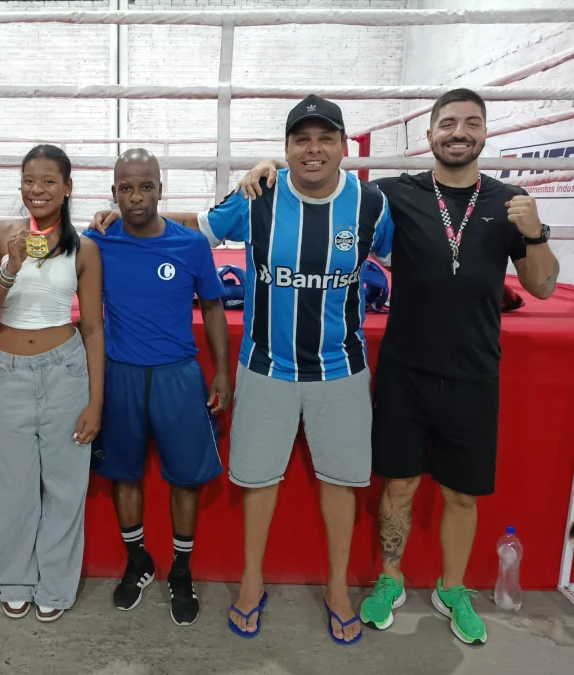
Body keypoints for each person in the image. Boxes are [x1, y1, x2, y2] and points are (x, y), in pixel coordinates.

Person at [237, 88, 559, 646]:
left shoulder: (510, 201)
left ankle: (452, 589)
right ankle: (389, 580)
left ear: (485, 132)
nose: (459, 133)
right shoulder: (391, 195)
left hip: (474, 366)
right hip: (406, 366)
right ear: (429, 134)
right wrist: (267, 169)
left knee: (462, 493)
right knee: (399, 485)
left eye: (471, 123)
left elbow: (543, 286)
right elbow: (320, 180)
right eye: (448, 123)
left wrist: (535, 232)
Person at [90, 96, 394, 642]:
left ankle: (337, 589)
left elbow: (403, 255)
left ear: (344, 146)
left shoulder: (373, 204)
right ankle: (251, 584)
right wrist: (129, 215)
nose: (314, 149)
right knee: (258, 481)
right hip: (266, 365)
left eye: (325, 138)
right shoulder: (259, 195)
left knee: (341, 482)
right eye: (301, 139)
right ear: (286, 148)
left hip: (341, 367)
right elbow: (197, 227)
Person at [83, 148, 232, 627]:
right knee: (123, 475)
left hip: (178, 375)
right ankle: (138, 561)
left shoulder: (191, 245)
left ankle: (181, 571)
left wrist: (222, 371)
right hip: (120, 374)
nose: (136, 197)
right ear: (113, 194)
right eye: (126, 188)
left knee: (185, 478)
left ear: (160, 190)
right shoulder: (97, 241)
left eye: (145, 186)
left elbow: (213, 306)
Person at [0, 144, 104, 623]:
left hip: (65, 369)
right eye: (29, 180)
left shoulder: (84, 248)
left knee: (65, 486)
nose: (37, 190)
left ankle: (56, 583)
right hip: (7, 372)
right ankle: (13, 577)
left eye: (49, 181)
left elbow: (94, 328)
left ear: (67, 187)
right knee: (13, 486)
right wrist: (9, 267)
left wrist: (96, 402)